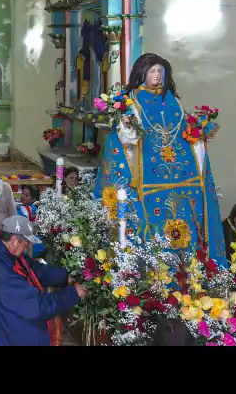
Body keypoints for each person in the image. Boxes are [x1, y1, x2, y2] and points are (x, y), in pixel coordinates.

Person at [93, 53, 227, 265]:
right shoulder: (133, 101)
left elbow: (185, 130)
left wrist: (199, 131)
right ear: (142, 73)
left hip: (182, 180)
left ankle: (187, 273)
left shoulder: (173, 101)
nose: (156, 76)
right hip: (147, 179)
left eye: (160, 71)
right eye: (152, 71)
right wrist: (126, 125)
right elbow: (125, 139)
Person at [0, 215, 85, 346]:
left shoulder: (7, 253)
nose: (28, 246)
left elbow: (36, 269)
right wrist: (72, 294)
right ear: (13, 240)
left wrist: (65, 277)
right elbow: (36, 306)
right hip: (12, 337)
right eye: (26, 242)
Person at [17, 185, 45, 257]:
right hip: (38, 242)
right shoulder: (35, 208)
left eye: (26, 195)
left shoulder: (21, 210)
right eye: (22, 193)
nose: (22, 196)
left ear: (33, 199)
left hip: (26, 244)